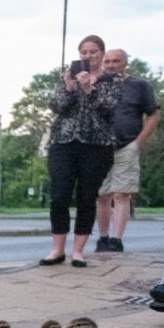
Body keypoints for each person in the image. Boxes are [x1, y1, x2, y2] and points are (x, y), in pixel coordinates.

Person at [41, 35, 120, 268]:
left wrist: (89, 89)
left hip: (96, 145)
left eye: (93, 52)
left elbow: (109, 109)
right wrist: (68, 86)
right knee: (59, 195)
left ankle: (78, 251)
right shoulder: (66, 76)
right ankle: (57, 249)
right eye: (84, 52)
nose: (88, 56)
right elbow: (56, 106)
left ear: (102, 54)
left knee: (87, 198)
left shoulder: (111, 80)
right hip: (64, 142)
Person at [93, 49, 158, 253]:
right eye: (108, 61)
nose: (111, 65)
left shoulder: (139, 85)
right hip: (100, 147)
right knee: (102, 195)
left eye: (116, 61)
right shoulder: (97, 84)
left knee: (121, 194)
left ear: (125, 63)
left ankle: (116, 240)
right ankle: (103, 238)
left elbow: (154, 114)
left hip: (127, 146)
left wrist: (138, 142)